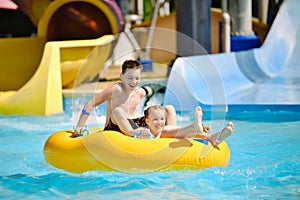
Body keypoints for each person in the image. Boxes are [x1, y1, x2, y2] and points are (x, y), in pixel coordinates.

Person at [74, 59, 178, 136]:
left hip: (134, 123)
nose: (133, 82)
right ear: (122, 76)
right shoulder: (116, 89)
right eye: (130, 78)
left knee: (169, 108)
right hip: (116, 127)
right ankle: (134, 133)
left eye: (137, 78)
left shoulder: (140, 92)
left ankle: (170, 134)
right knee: (118, 110)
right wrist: (79, 126)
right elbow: (90, 103)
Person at [128, 105, 234, 149]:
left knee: (167, 127)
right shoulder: (143, 130)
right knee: (165, 130)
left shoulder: (161, 127)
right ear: (147, 121)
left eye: (162, 119)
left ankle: (211, 137)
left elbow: (170, 128)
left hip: (164, 133)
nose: (159, 122)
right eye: (155, 120)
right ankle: (200, 131)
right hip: (155, 137)